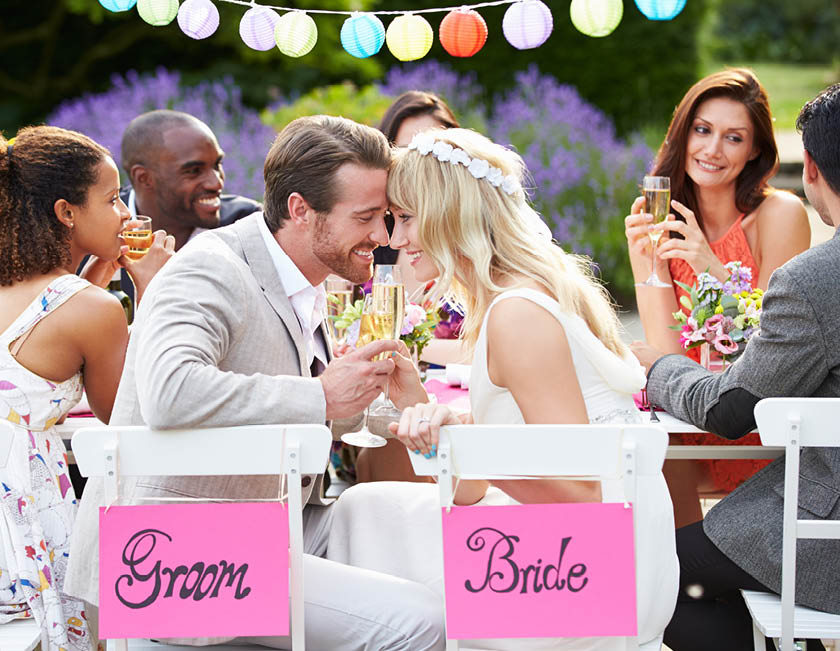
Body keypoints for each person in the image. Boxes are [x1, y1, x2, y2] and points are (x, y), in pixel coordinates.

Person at [65, 115, 444, 650]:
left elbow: (308, 404)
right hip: (176, 557)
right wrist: (321, 395)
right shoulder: (212, 267)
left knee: (406, 526)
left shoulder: (303, 278)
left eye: (384, 217)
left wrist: (399, 410)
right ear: (299, 210)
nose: (382, 237)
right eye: (365, 218)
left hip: (274, 524)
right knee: (419, 622)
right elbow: (169, 391)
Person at [327, 128, 679, 650]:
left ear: (453, 211)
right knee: (364, 509)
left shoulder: (518, 312)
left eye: (404, 217)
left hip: (596, 565)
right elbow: (470, 491)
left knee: (362, 517)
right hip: (583, 542)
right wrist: (414, 403)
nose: (393, 239)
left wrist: (462, 447)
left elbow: (582, 496)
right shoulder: (510, 296)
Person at [632, 81, 840, 651]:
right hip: (835, 513)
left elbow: (730, 408)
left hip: (837, 536)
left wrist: (656, 370)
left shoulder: (819, 276)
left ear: (808, 166)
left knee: (646, 576)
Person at [0, 126, 172, 651]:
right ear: (65, 212)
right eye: (113, 198)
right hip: (23, 517)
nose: (125, 213)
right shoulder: (91, 311)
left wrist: (91, 279)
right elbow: (127, 415)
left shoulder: (68, 300)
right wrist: (155, 292)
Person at [624, 68, 811, 527]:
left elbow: (772, 348)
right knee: (640, 438)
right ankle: (682, 578)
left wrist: (710, 265)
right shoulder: (658, 222)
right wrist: (646, 264)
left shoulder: (778, 214)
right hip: (683, 418)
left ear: (754, 151)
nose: (711, 150)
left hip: (749, 415)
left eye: (733, 138)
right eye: (703, 130)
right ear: (683, 134)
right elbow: (666, 357)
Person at [353, 91, 465, 483]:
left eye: (434, 150)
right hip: (388, 409)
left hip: (449, 404)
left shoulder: (468, 257)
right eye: (408, 151)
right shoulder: (371, 246)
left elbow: (482, 349)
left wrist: (404, 347)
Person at [114, 109, 261, 303]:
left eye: (217, 165)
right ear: (144, 178)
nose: (216, 183)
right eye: (194, 171)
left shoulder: (246, 224)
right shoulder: (102, 231)